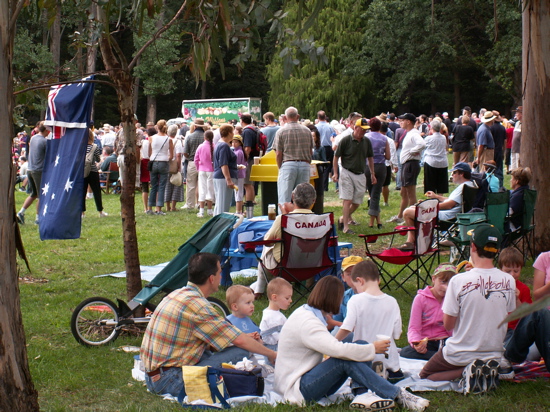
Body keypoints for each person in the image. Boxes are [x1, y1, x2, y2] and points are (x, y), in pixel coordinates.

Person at [274, 276, 430, 411]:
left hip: (304, 377)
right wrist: (373, 348)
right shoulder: (308, 322)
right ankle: (397, 394)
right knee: (345, 360)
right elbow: (337, 350)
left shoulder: (307, 313)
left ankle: (361, 394)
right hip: (297, 389)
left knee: (358, 342)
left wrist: (366, 348)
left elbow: (333, 346)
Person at [140, 253, 276, 397]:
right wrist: (272, 354)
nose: (221, 277)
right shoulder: (199, 306)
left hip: (153, 376)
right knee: (241, 351)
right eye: (219, 273)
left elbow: (217, 339)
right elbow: (239, 340)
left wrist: (242, 338)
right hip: (171, 380)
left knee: (214, 349)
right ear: (212, 279)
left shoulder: (177, 294)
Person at [420, 224, 515, 394]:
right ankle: (486, 369)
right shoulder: (509, 280)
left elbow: (448, 325)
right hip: (494, 353)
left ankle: (467, 371)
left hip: (461, 352)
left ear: (472, 246)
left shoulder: (458, 281)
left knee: (426, 375)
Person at [335, 261, 402, 378]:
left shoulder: (356, 300)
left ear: (360, 281)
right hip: (391, 362)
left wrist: (332, 343)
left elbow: (347, 328)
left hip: (365, 357)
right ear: (378, 280)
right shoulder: (392, 301)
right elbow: (397, 334)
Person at [252, 182, 317, 297]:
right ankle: (308, 287)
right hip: (313, 265)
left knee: (267, 248)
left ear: (293, 197)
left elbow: (268, 242)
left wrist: (286, 217)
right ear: (314, 200)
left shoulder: (283, 219)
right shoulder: (321, 221)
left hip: (285, 267)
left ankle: (259, 290)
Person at [400, 263, 456, 361]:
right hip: (426, 343)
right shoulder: (420, 299)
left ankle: (440, 357)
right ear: (434, 279)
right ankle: (440, 358)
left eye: (450, 285)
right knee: (405, 352)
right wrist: (416, 343)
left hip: (444, 340)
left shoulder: (452, 299)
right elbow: (414, 327)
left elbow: (452, 328)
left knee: (454, 350)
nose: (445, 288)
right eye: (443, 282)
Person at [333, 118, 376, 234]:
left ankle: (343, 218)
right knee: (347, 200)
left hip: (360, 173)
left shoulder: (366, 141)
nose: (364, 132)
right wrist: (336, 173)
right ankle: (346, 227)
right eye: (362, 129)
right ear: (355, 128)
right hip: (347, 172)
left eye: (365, 130)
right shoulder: (346, 140)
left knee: (357, 202)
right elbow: (336, 157)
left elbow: (370, 158)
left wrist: (372, 174)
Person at [388, 113, 425, 225]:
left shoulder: (414, 134)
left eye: (402, 120)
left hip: (410, 164)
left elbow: (422, 144)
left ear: (408, 121)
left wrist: (412, 151)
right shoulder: (409, 133)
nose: (400, 122)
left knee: (411, 193)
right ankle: (400, 216)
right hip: (407, 164)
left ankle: (413, 217)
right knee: (404, 192)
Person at [273, 106, 313, 206]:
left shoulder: (281, 131)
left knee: (284, 197)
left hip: (288, 163)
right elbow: (310, 151)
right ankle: (302, 217)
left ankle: (284, 218)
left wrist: (280, 167)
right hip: (304, 164)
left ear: (285, 118)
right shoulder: (307, 131)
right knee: (303, 197)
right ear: (298, 116)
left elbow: (278, 153)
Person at [497, 247, 532, 346]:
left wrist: (516, 299)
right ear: (500, 270)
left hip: (513, 329)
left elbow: (527, 315)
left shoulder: (523, 289)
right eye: (508, 271)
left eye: (516, 271)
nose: (512, 275)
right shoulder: (495, 286)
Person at [17, 122, 49, 225]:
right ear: (47, 130)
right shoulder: (44, 141)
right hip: (38, 170)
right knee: (41, 195)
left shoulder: (34, 138)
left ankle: (21, 212)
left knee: (34, 194)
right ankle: (38, 219)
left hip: (30, 169)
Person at [365, 117, 391, 228]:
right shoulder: (384, 139)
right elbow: (388, 156)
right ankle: (377, 222)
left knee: (372, 193)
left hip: (367, 166)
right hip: (380, 166)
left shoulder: (366, 137)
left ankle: (373, 222)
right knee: (376, 194)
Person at [326, 255, 363, 331]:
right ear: (343, 277)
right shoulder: (343, 297)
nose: (354, 277)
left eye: (358, 273)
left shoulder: (373, 296)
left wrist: (333, 323)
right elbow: (338, 322)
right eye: (349, 274)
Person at [148, 120, 173, 215]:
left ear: (157, 127)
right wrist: (167, 158)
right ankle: (158, 208)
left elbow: (149, 152)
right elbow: (171, 154)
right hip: (164, 161)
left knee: (153, 185)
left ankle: (149, 207)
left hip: (153, 161)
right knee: (162, 186)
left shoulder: (151, 138)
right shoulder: (168, 139)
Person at [81, 129, 107, 218]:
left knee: (82, 192)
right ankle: (100, 211)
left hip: (82, 171)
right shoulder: (94, 146)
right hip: (93, 171)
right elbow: (98, 159)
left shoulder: (80, 146)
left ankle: (82, 212)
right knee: (96, 191)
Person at [259, 278, 293, 346]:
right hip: (274, 348)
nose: (291, 300)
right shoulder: (273, 318)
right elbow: (280, 339)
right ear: (274, 297)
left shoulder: (274, 313)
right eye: (287, 298)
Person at [183, 118, 207, 210]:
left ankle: (190, 204)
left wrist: (188, 158)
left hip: (192, 162)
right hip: (204, 163)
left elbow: (185, 151)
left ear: (195, 126)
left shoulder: (189, 136)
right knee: (202, 184)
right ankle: (200, 203)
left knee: (191, 185)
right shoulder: (206, 137)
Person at [213, 124, 237, 216]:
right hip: (223, 178)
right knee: (223, 206)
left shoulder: (219, 144)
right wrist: (229, 179)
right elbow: (223, 164)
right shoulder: (224, 146)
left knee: (219, 204)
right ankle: (220, 226)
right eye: (233, 131)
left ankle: (215, 225)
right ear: (229, 133)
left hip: (219, 176)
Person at [423, 119, 448, 194]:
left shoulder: (428, 138)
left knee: (430, 184)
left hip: (431, 162)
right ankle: (440, 200)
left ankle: (431, 202)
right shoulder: (443, 137)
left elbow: (422, 146)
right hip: (443, 162)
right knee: (441, 185)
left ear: (431, 128)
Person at [194, 129, 215, 218]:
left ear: (205, 137)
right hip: (211, 170)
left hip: (202, 169)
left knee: (202, 189)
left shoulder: (201, 146)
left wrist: (198, 168)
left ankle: (201, 210)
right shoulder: (214, 146)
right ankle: (210, 210)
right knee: (210, 189)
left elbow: (196, 159)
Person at [164, 125, 184, 212]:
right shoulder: (178, 142)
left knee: (167, 185)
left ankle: (167, 206)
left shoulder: (165, 140)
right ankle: (173, 206)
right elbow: (178, 155)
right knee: (176, 185)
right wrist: (179, 166)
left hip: (166, 164)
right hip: (174, 164)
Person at [232, 135, 246, 215]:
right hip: (239, 174)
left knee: (238, 193)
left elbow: (237, 164)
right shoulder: (238, 151)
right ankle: (239, 210)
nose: (234, 143)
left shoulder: (238, 152)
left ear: (240, 143)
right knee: (238, 192)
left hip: (239, 174)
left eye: (236, 142)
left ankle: (238, 211)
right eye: (233, 142)